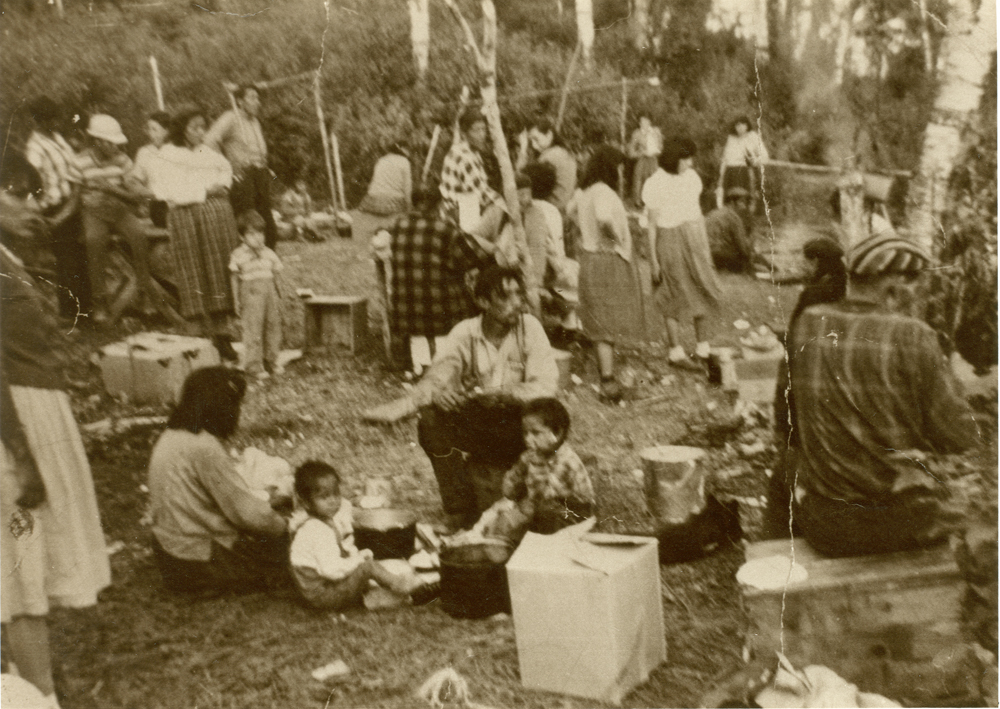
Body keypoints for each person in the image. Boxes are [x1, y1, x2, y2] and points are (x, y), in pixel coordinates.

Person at [769, 233, 980, 557]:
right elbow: (961, 436)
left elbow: (786, 420)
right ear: (893, 287)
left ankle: (774, 554)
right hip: (899, 525)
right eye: (916, 286)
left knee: (786, 464)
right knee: (978, 506)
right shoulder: (915, 336)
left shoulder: (808, 323)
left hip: (826, 525)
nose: (919, 296)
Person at [0, 151, 111, 708]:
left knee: (30, 566)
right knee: (18, 575)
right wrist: (21, 455)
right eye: (17, 195)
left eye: (34, 195)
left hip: (33, 414)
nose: (32, 208)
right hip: (12, 427)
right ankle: (37, 697)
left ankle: (26, 687)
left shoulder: (7, 258)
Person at [414, 265, 559, 532]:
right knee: (430, 420)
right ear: (483, 301)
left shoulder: (530, 328)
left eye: (518, 294)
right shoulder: (465, 332)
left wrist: (506, 395)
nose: (517, 303)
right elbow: (435, 376)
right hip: (482, 425)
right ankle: (458, 510)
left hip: (519, 426)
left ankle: (528, 498)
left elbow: (547, 387)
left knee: (548, 417)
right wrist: (439, 392)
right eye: (505, 297)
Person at [148, 367, 289, 595]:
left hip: (168, 553)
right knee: (296, 555)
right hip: (197, 560)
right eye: (236, 405)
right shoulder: (204, 447)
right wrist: (285, 528)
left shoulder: (171, 436)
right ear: (222, 407)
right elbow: (248, 514)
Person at [289, 461, 437, 610]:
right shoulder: (317, 530)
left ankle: (376, 598)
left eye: (336, 493)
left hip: (322, 589)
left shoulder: (317, 522)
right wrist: (358, 560)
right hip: (323, 596)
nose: (333, 501)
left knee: (369, 568)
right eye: (324, 497)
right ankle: (403, 586)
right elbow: (332, 571)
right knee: (368, 568)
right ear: (306, 503)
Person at [385, 187, 496, 367]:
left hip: (406, 311)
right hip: (440, 312)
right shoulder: (445, 229)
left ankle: (420, 364)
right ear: (439, 205)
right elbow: (473, 258)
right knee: (472, 297)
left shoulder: (398, 225)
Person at [159, 108, 240, 351]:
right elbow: (171, 194)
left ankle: (221, 332)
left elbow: (225, 169)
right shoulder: (167, 154)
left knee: (218, 270)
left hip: (215, 216)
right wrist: (206, 191)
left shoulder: (207, 151)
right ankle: (195, 332)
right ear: (181, 129)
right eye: (194, 127)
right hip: (185, 217)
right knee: (191, 269)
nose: (200, 132)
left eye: (202, 127)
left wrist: (221, 186)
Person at [570, 145, 644, 401]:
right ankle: (608, 380)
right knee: (606, 320)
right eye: (620, 168)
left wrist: (584, 232)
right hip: (606, 258)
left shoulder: (583, 191)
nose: (622, 173)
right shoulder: (602, 191)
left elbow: (570, 212)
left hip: (590, 258)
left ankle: (604, 371)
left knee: (598, 316)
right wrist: (614, 239)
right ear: (610, 168)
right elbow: (603, 218)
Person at [471, 398, 594, 547]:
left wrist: (518, 512)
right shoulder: (531, 455)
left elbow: (543, 496)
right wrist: (513, 481)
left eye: (536, 433)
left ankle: (518, 542)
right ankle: (485, 537)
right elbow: (511, 487)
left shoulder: (565, 460)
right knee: (498, 511)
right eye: (525, 433)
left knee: (535, 514)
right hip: (542, 505)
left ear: (558, 433)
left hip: (572, 514)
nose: (528, 439)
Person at [644, 137, 721, 371]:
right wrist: (654, 260)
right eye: (685, 158)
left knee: (703, 287)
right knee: (672, 292)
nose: (690, 162)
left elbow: (695, 213)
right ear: (673, 159)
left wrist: (703, 247)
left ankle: (703, 348)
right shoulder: (655, 182)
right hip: (670, 239)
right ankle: (675, 352)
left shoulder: (692, 178)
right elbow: (652, 226)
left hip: (694, 236)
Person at [73, 113, 155, 324]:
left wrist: (112, 190)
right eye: (111, 143)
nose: (115, 148)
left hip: (119, 209)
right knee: (94, 241)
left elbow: (137, 196)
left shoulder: (122, 160)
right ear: (98, 141)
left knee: (138, 235)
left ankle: (145, 294)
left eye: (116, 144)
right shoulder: (80, 160)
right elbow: (76, 194)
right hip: (93, 211)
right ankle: (100, 301)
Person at [25, 97, 91, 320]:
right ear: (39, 121)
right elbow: (32, 185)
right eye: (51, 119)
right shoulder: (34, 149)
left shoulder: (58, 138)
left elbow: (74, 168)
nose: (56, 122)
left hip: (72, 202)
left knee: (81, 258)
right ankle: (69, 315)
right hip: (55, 211)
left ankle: (86, 312)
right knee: (67, 263)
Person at [203, 86, 278, 249]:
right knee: (248, 221)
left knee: (266, 220)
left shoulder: (255, 121)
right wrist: (226, 167)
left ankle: (267, 260)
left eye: (258, 98)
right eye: (252, 98)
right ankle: (245, 262)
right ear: (240, 101)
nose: (257, 102)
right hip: (243, 178)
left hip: (260, 175)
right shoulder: (230, 117)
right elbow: (209, 141)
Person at [520, 162, 579, 332]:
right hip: (553, 264)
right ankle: (569, 324)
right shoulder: (552, 210)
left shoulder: (531, 209)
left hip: (539, 266)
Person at [229, 211, 284, 380]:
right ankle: (254, 364)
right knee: (253, 329)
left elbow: (277, 277)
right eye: (251, 234)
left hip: (269, 295)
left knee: (272, 327)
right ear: (241, 236)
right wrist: (236, 300)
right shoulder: (238, 255)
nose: (258, 238)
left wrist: (280, 297)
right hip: (250, 295)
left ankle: (271, 360)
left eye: (260, 233)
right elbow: (234, 279)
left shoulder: (269, 253)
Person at [438, 109, 500, 232]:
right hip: (462, 216)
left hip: (452, 212)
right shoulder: (466, 158)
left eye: (483, 129)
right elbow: (484, 195)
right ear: (465, 133)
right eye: (477, 130)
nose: (482, 134)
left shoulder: (461, 149)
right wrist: (508, 206)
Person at [516, 117, 577, 213]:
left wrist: (523, 148)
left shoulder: (549, 156)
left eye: (536, 139)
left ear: (549, 135)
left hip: (548, 210)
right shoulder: (565, 153)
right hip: (561, 210)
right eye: (531, 141)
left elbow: (520, 179)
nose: (534, 145)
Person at [717, 116, 769, 208]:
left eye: (742, 124)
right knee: (729, 203)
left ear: (747, 125)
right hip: (730, 174)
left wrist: (756, 160)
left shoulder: (753, 136)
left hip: (745, 173)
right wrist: (721, 178)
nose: (740, 127)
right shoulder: (731, 138)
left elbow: (765, 156)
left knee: (744, 202)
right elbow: (725, 159)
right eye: (737, 125)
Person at [705, 187, 754, 274]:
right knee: (748, 261)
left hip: (704, 255)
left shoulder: (713, 213)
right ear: (732, 202)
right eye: (741, 202)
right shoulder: (734, 217)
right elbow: (744, 250)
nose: (744, 206)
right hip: (719, 256)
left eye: (745, 203)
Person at [358, 142, 412, 216]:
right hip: (392, 202)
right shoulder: (404, 161)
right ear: (403, 149)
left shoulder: (382, 159)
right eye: (408, 149)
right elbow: (407, 187)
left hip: (372, 201)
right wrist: (409, 208)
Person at [627, 114, 663, 209]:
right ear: (639, 123)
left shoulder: (655, 132)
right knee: (638, 178)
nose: (644, 124)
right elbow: (631, 152)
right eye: (641, 122)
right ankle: (638, 202)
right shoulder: (636, 134)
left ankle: (652, 203)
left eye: (646, 121)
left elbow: (660, 147)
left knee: (654, 179)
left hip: (653, 159)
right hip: (642, 159)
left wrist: (656, 151)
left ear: (650, 122)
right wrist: (641, 153)